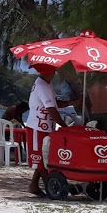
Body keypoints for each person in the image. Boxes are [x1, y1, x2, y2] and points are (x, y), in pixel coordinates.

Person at [27, 65, 73, 195]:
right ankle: (50, 185)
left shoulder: (46, 85)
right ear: (50, 73)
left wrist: (70, 102)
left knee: (44, 156)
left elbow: (54, 103)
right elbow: (51, 109)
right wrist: (63, 125)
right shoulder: (42, 86)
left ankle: (34, 185)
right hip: (37, 126)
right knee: (40, 157)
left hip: (46, 127)